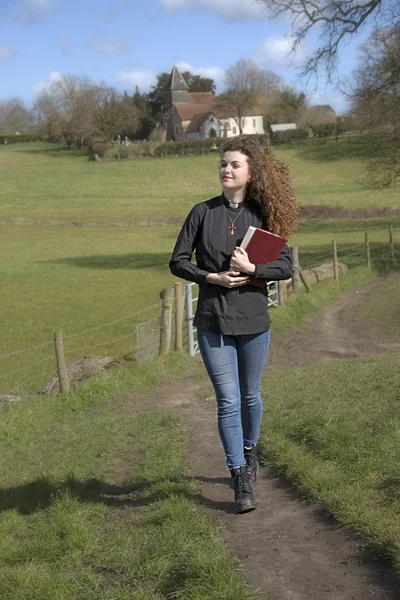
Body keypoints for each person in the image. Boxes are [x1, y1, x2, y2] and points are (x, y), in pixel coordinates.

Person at [169, 136, 298, 514]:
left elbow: (286, 268)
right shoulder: (201, 212)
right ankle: (240, 477)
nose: (227, 170)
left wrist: (252, 269)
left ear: (250, 172)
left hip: (255, 319)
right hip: (212, 320)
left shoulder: (264, 215)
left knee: (250, 396)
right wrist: (213, 278)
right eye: (223, 164)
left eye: (235, 165)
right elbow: (178, 261)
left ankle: (249, 447)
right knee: (227, 401)